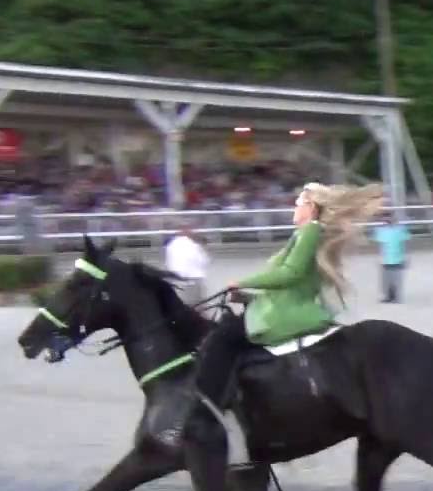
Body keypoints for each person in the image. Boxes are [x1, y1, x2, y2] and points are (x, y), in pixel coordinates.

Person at [191, 181, 384, 464]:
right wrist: (246, 295)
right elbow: (285, 280)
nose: (294, 206)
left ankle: (204, 415)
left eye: (299, 202)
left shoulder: (311, 231)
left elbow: (290, 274)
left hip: (286, 314)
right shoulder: (303, 234)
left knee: (222, 338)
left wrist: (242, 281)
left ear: (312, 208)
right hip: (278, 306)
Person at [164, 224, 210, 307]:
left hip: (176, 282)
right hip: (193, 280)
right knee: (198, 308)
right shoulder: (192, 244)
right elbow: (203, 261)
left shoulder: (170, 245)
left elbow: (169, 264)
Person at [373, 217, 410, 302]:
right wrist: (406, 257)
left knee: (388, 279)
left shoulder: (381, 231)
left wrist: (379, 258)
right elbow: (405, 243)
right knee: (395, 278)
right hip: (397, 258)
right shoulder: (400, 230)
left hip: (387, 259)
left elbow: (380, 246)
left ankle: (390, 296)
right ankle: (395, 297)